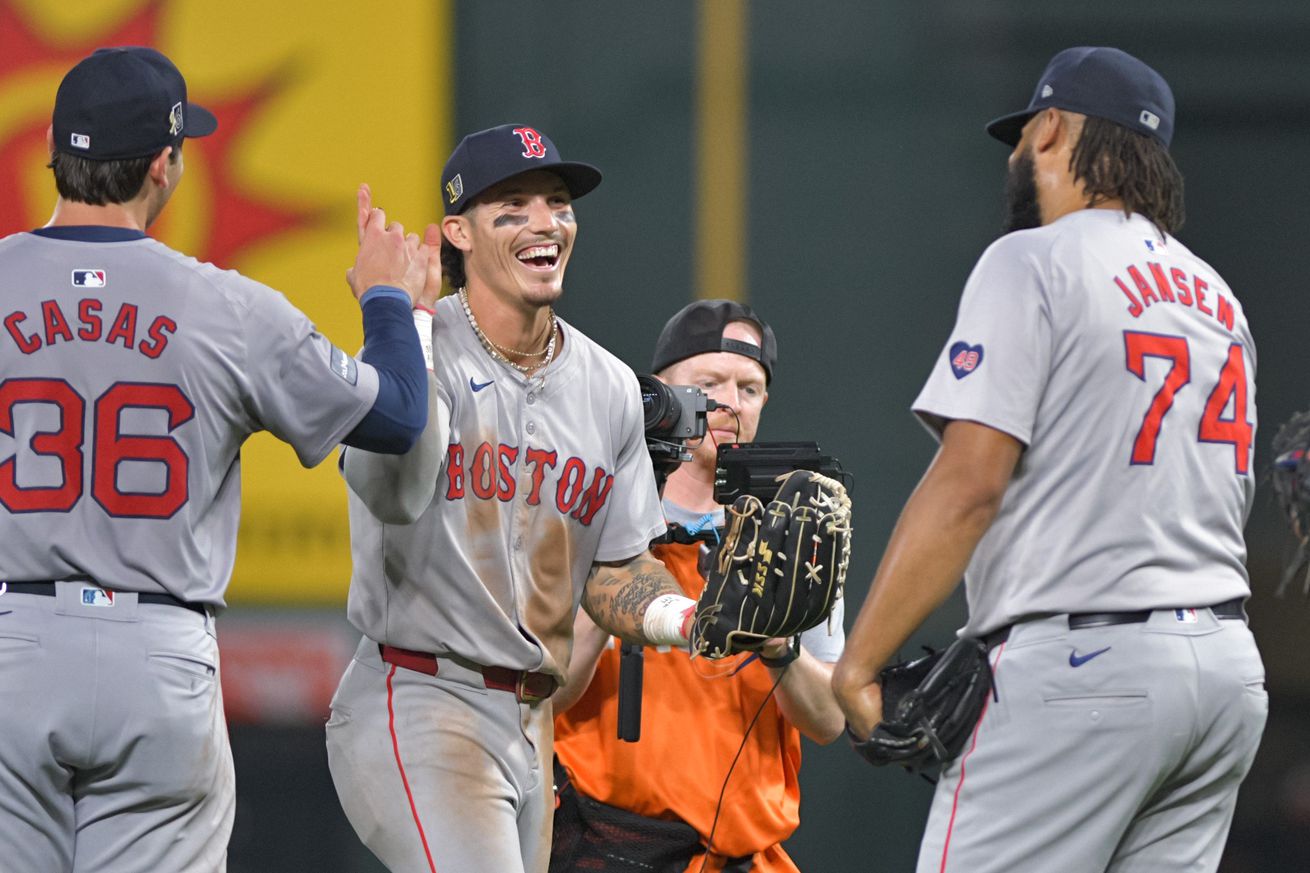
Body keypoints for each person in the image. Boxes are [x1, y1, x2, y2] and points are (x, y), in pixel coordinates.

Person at [832, 46, 1267, 873]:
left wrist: (860, 662)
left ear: (1054, 129)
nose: (1017, 156)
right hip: (1224, 677)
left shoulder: (1032, 258)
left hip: (1084, 672)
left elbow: (970, 484)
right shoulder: (1218, 296)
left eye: (1024, 135)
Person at [0, 46, 433, 873]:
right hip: (157, 654)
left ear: (54, 147)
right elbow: (399, 416)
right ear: (164, 165)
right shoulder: (224, 305)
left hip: (11, 643)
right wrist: (388, 301)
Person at [326, 124, 704, 873]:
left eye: (558, 203)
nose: (545, 221)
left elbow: (617, 570)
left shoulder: (609, 386)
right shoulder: (416, 350)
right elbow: (392, 494)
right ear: (458, 231)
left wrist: (693, 618)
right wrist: (407, 319)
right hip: (421, 693)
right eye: (515, 205)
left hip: (533, 720)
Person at [550, 299, 847, 873]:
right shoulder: (591, 513)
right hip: (607, 847)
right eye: (706, 382)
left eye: (749, 387)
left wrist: (778, 647)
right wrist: (619, 581)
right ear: (660, 393)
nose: (729, 403)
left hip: (743, 856)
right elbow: (545, 696)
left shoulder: (794, 530)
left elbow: (829, 721)